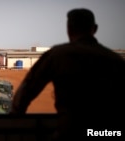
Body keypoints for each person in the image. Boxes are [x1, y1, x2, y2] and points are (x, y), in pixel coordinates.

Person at [10, 8, 125, 140]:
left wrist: (14, 120)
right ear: (95, 28)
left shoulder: (58, 55)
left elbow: (27, 89)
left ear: (68, 29)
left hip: (70, 132)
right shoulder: (115, 60)